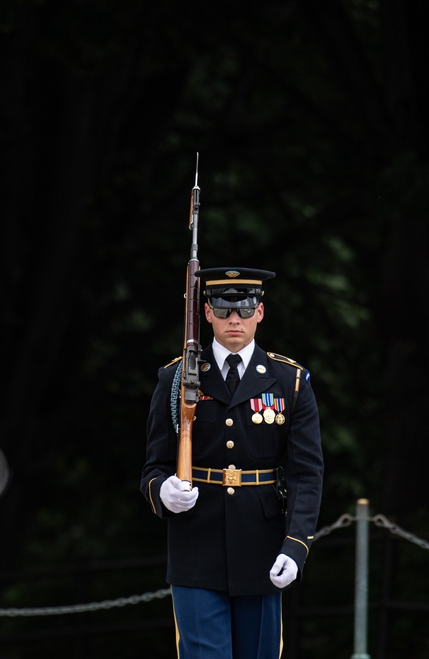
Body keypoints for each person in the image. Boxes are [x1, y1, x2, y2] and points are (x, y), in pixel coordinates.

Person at [141, 266, 325, 659]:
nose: (234, 319)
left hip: (262, 548)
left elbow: (305, 474)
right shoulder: (176, 378)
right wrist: (163, 492)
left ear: (260, 312)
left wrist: (296, 546)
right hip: (196, 546)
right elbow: (153, 466)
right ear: (206, 313)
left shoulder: (289, 381)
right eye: (224, 310)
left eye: (244, 309)